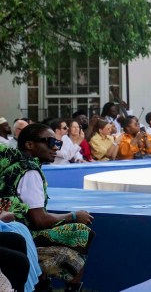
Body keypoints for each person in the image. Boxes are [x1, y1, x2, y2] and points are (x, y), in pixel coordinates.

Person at [0, 123, 95, 292]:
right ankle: (70, 288)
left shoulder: (14, 165)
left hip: (12, 228)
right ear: (30, 145)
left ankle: (46, 283)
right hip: (22, 232)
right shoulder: (30, 171)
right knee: (82, 232)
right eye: (51, 142)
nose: (55, 148)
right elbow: (39, 220)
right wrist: (73, 216)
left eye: (58, 143)